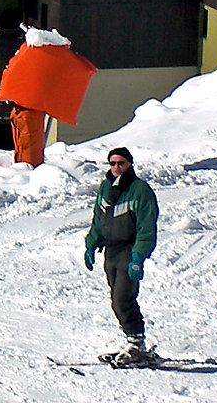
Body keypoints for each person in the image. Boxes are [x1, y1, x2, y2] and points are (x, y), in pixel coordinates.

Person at [84, 145, 159, 365]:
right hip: (111, 252)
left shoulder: (140, 190)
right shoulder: (106, 187)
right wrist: (91, 244)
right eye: (113, 163)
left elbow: (147, 226)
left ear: (129, 164)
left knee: (122, 298)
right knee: (117, 298)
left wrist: (139, 256)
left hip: (129, 250)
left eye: (121, 163)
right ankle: (133, 341)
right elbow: (99, 219)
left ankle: (136, 344)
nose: (117, 167)